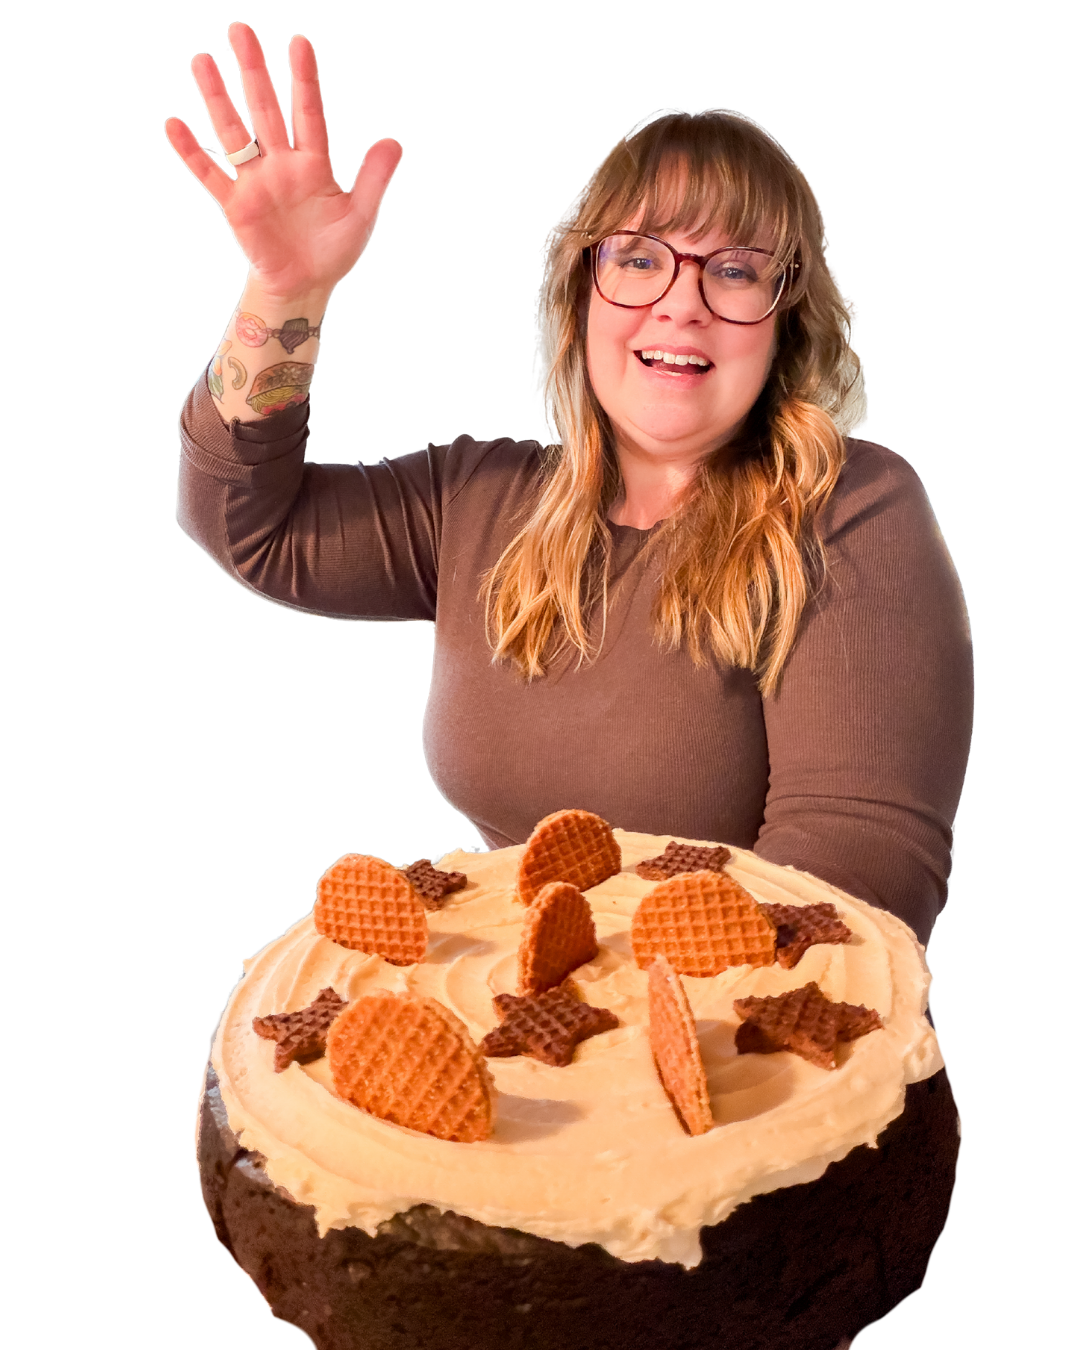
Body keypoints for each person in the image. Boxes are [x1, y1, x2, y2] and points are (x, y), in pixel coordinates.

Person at [171, 24, 973, 957]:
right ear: (581, 292)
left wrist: (590, 1006)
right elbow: (251, 527)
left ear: (784, 323)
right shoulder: (478, 495)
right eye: (639, 257)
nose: (682, 302)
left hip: (730, 1029)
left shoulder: (852, 511)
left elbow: (854, 873)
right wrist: (285, 295)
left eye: (735, 270)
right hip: (519, 999)